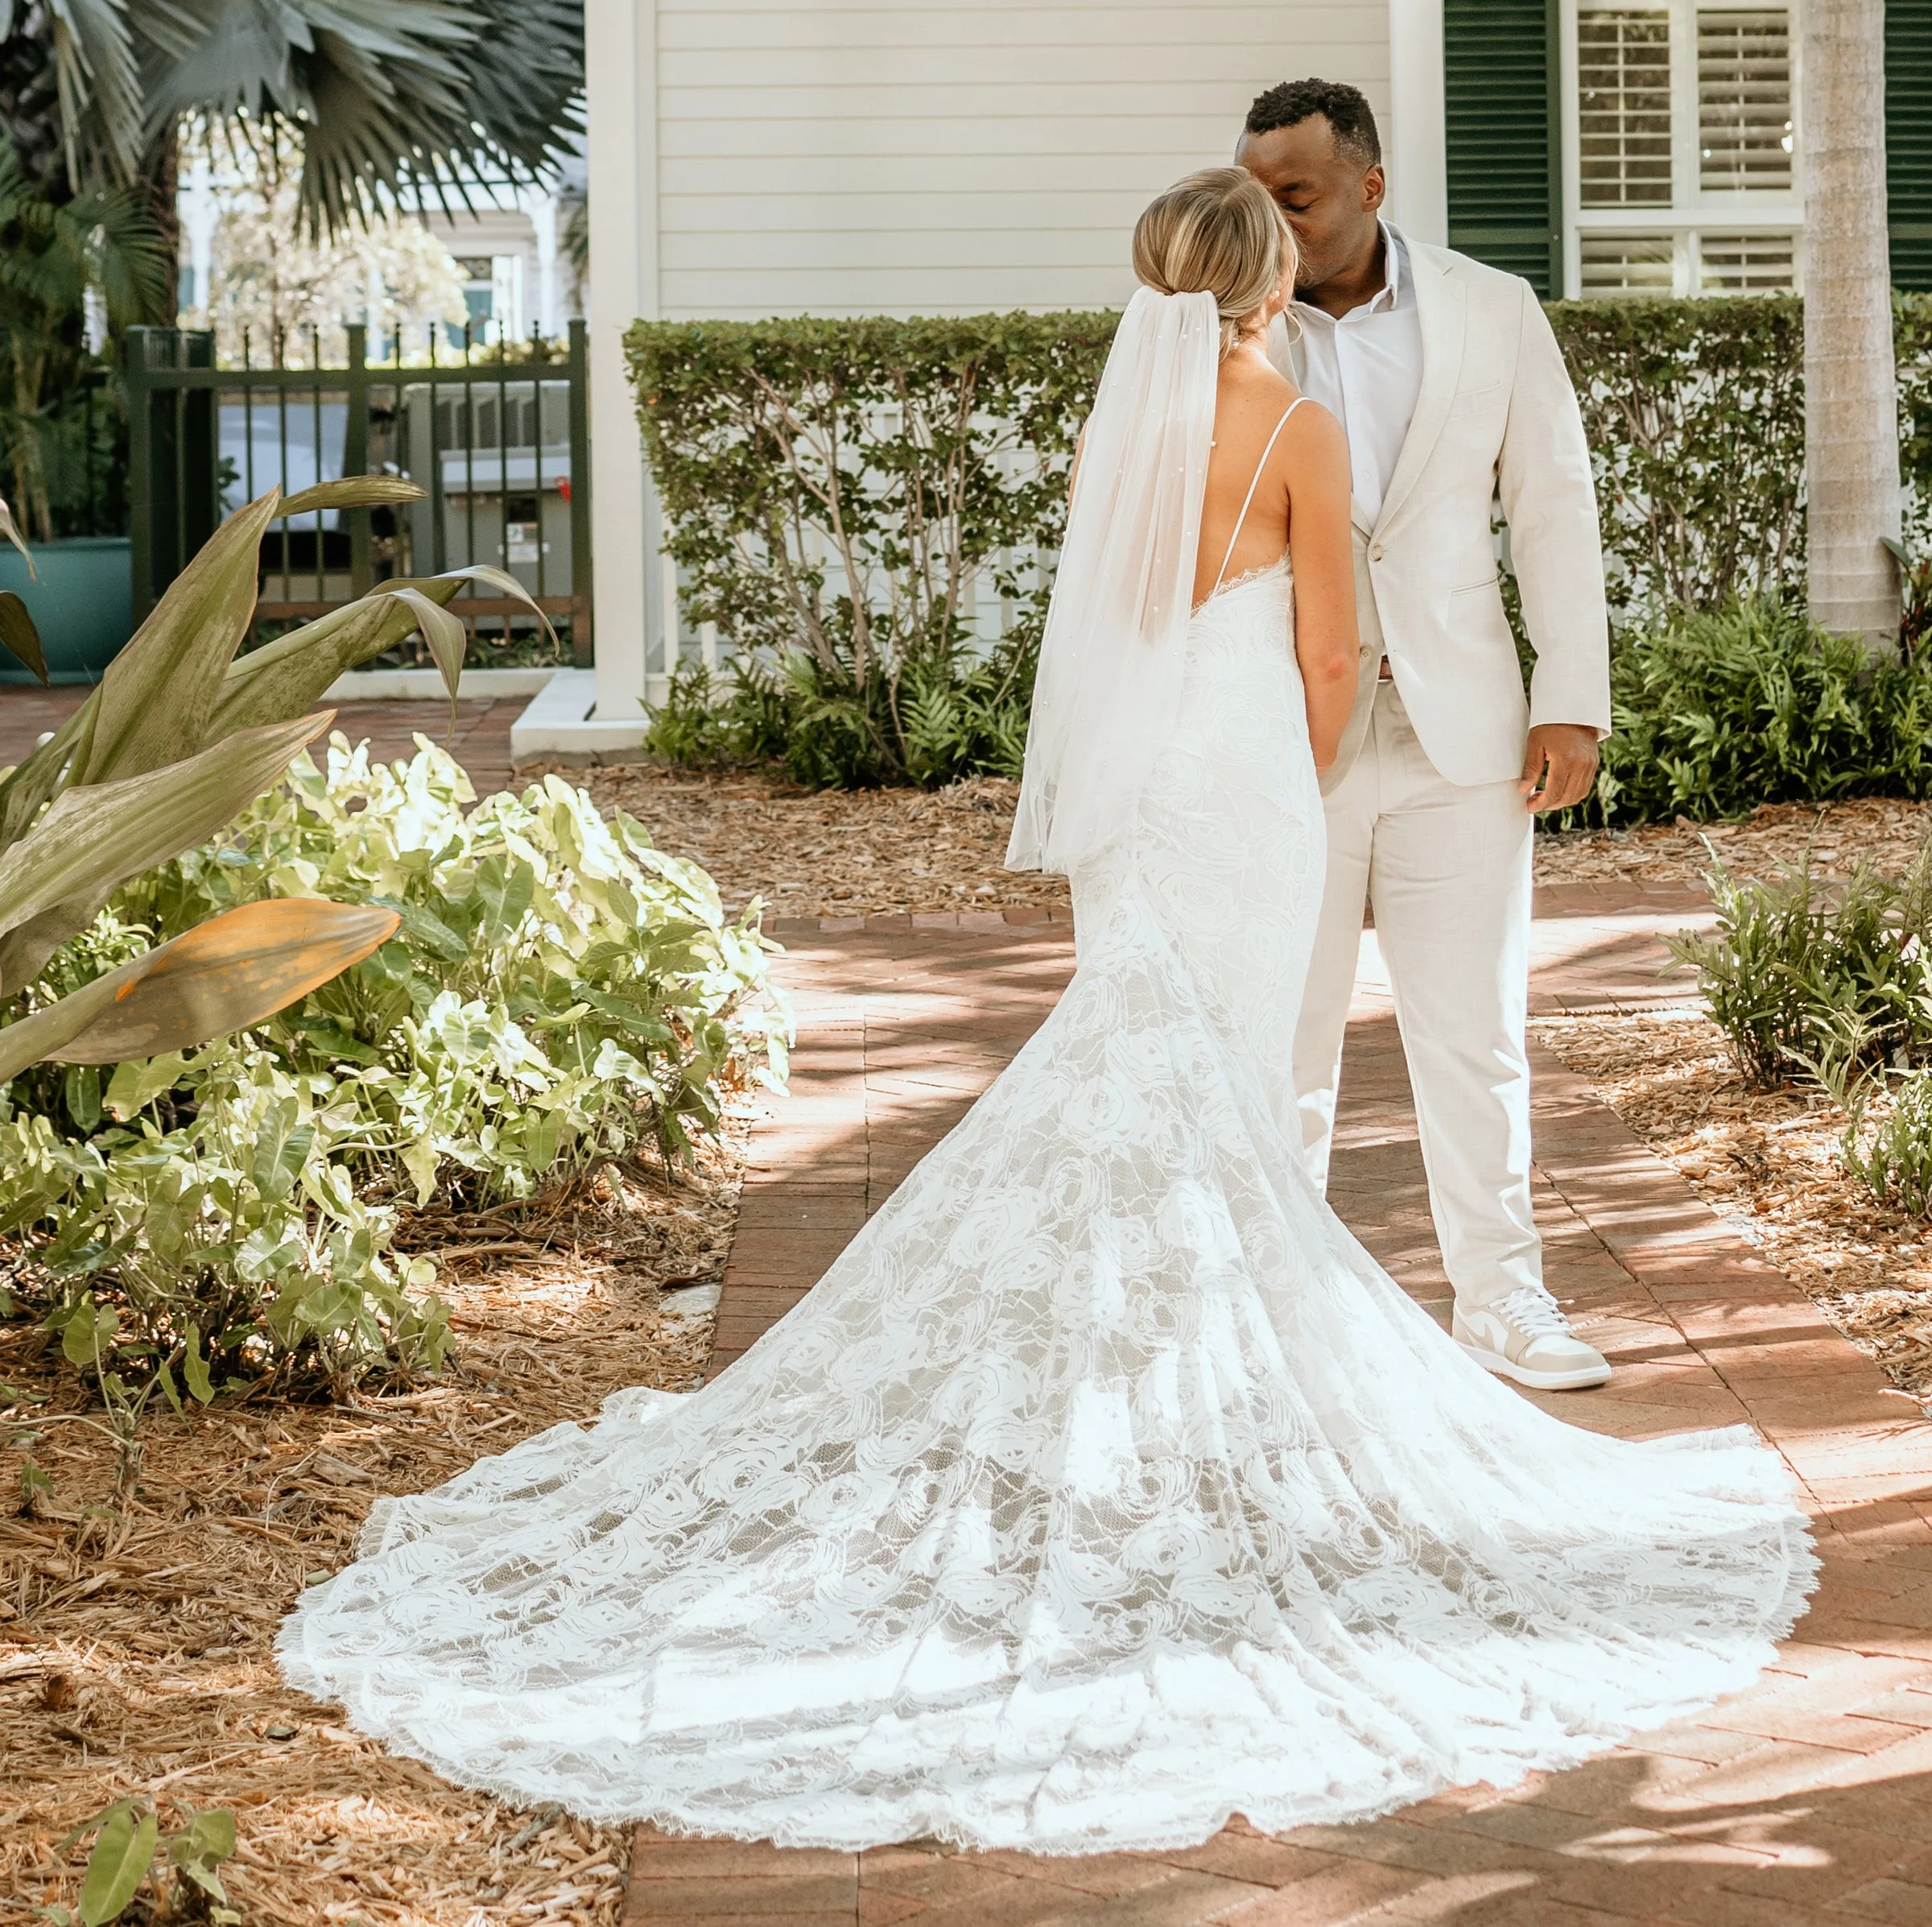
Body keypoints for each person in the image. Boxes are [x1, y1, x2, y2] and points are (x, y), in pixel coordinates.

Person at [279, 167, 1811, 1857]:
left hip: (1142, 785)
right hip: (1245, 782)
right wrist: (1299, 784)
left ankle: (1141, 1396)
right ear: (1263, 283)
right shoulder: (1293, 422)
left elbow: (1104, 627)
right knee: (1224, 1080)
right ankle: (1197, 1414)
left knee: (1144, 1061)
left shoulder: (1123, 427)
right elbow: (1324, 658)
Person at [1238, 79, 1614, 1391]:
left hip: (1468, 728)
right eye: (1257, 197)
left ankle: (1504, 1298)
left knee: (1474, 1029)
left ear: (1369, 186)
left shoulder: (1493, 308)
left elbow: (1553, 503)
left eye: (1294, 196)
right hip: (1291, 730)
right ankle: (1276, 1312)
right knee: (1284, 1034)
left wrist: (1574, 691)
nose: (1271, 221)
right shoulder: (1225, 326)